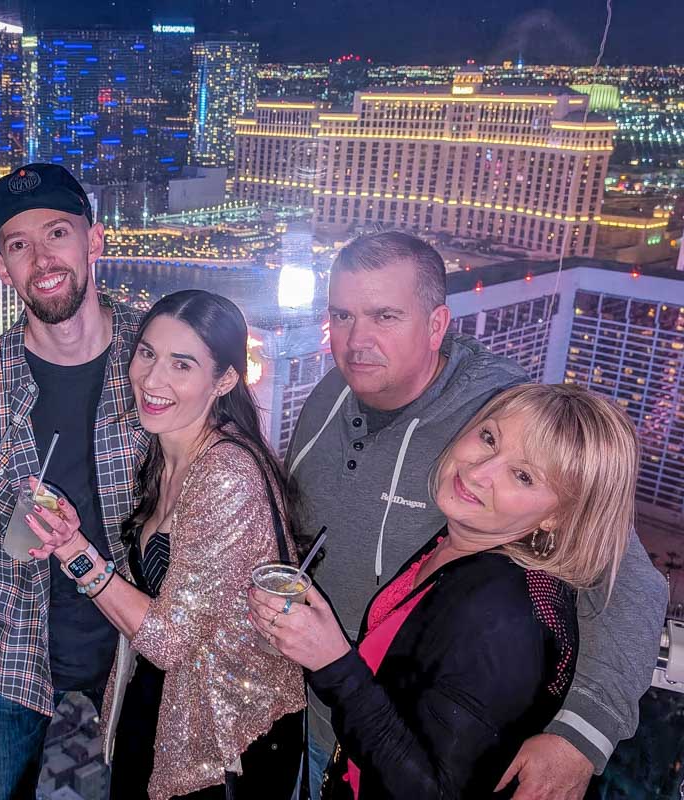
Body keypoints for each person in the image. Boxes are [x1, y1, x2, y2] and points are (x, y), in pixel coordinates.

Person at [285, 231, 667, 799]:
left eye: (385, 316)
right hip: (311, 716)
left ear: (436, 324)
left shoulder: (503, 414)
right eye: (342, 315)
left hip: (399, 747)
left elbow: (626, 577)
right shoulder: (331, 392)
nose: (356, 341)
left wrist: (584, 731)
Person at [253, 383, 637, 798]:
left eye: (523, 476)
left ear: (556, 517)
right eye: (489, 438)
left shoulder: (503, 617)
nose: (477, 472)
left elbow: (432, 792)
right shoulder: (458, 541)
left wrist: (334, 661)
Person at [24, 290, 307, 799]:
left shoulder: (227, 475)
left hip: (219, 738)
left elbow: (168, 640)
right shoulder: (163, 452)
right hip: (164, 700)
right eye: (147, 353)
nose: (152, 380)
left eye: (182, 364)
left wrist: (75, 551)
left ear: (224, 380)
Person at [0, 163, 150, 799]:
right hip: (15, 648)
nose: (42, 258)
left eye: (57, 233)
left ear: (94, 240)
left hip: (137, 638)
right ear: (2, 269)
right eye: (19, 245)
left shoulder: (154, 358)